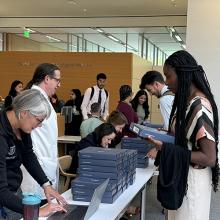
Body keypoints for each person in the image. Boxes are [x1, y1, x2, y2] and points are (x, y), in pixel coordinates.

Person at [147, 50, 219, 220]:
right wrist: (163, 137)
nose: (166, 82)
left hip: (192, 181)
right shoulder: (185, 102)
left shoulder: (199, 106)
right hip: (181, 175)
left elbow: (209, 158)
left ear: (182, 74)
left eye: (169, 76)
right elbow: (185, 140)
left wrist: (166, 147)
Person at [0, 89, 66, 220]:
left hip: (12, 192)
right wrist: (34, 210)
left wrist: (46, 184)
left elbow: (28, 155)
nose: (40, 126)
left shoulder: (22, 128)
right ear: (24, 113)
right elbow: (0, 191)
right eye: (39, 120)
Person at [21, 63, 61, 205]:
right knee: (36, 210)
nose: (59, 85)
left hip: (45, 164)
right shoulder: (34, 98)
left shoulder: (42, 98)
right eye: (57, 80)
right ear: (47, 79)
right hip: (37, 165)